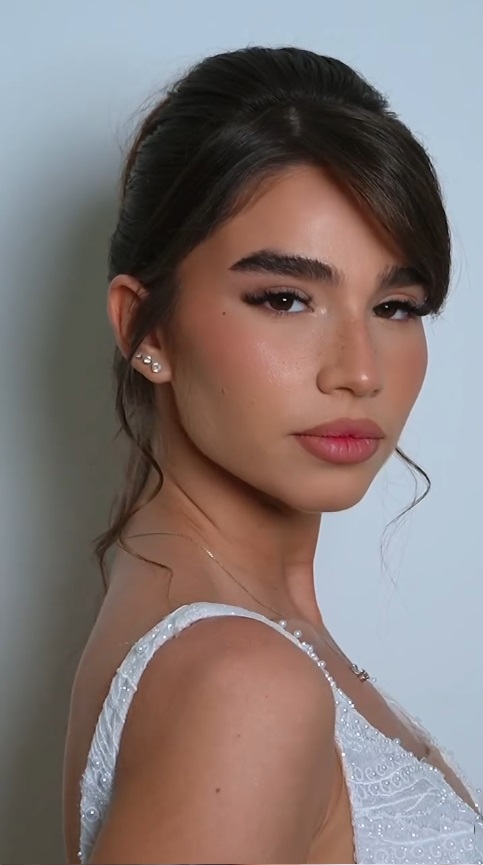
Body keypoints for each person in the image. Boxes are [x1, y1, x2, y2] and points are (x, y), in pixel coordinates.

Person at [62, 45, 483, 865]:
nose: (359, 370)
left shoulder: (243, 644)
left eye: (395, 305)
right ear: (145, 327)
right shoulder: (239, 682)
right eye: (285, 298)